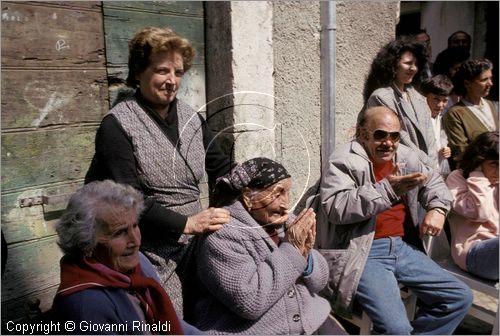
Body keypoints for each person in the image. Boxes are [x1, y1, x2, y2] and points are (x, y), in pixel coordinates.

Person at [84, 27, 232, 314]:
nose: (172, 81)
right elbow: (129, 199)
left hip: (198, 244)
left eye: (178, 72)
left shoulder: (191, 118)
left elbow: (221, 166)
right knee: (170, 319)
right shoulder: (117, 126)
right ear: (138, 72)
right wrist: (187, 224)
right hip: (150, 250)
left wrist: (253, 187)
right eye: (162, 70)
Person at [319, 106, 472, 334]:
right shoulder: (345, 160)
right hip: (365, 251)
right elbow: (335, 207)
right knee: (397, 329)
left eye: (395, 136)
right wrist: (388, 190)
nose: (388, 143)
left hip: (401, 248)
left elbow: (435, 183)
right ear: (363, 134)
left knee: (459, 298)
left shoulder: (405, 155)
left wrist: (438, 208)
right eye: (380, 135)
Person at [188, 158, 341, 334]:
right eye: (277, 194)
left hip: (309, 318)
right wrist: (293, 250)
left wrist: (306, 257)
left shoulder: (284, 222)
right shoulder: (221, 235)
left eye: (287, 192)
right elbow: (250, 301)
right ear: (248, 196)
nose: (286, 203)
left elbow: (320, 282)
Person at [52, 180, 201, 334]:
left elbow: (171, 324)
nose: (135, 241)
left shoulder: (138, 263)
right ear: (86, 245)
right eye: (119, 232)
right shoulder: (85, 307)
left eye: (135, 226)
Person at [363, 37, 438, 169]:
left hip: (427, 169)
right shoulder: (381, 97)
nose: (413, 68)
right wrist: (428, 164)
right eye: (408, 63)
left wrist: (433, 163)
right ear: (392, 64)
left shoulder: (418, 97)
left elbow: (430, 137)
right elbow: (400, 138)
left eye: (416, 64)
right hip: (400, 167)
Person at [445, 131, 499, 281]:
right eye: (494, 164)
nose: (498, 171)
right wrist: (478, 175)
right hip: (473, 252)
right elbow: (481, 213)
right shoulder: (457, 178)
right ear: (478, 160)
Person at [443, 59, 499, 169]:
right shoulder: (456, 114)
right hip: (477, 174)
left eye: (490, 78)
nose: (490, 84)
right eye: (484, 80)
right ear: (467, 83)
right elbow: (461, 153)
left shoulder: (493, 106)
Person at [420, 75, 453, 177]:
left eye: (445, 101)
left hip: (437, 169)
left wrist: (445, 149)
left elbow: (441, 138)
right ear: (425, 97)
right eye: (436, 99)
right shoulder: (421, 118)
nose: (440, 105)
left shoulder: (440, 117)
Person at [432, 46, 470, 113]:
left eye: (462, 69)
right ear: (445, 69)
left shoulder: (467, 92)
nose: (461, 72)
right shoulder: (435, 95)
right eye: (457, 69)